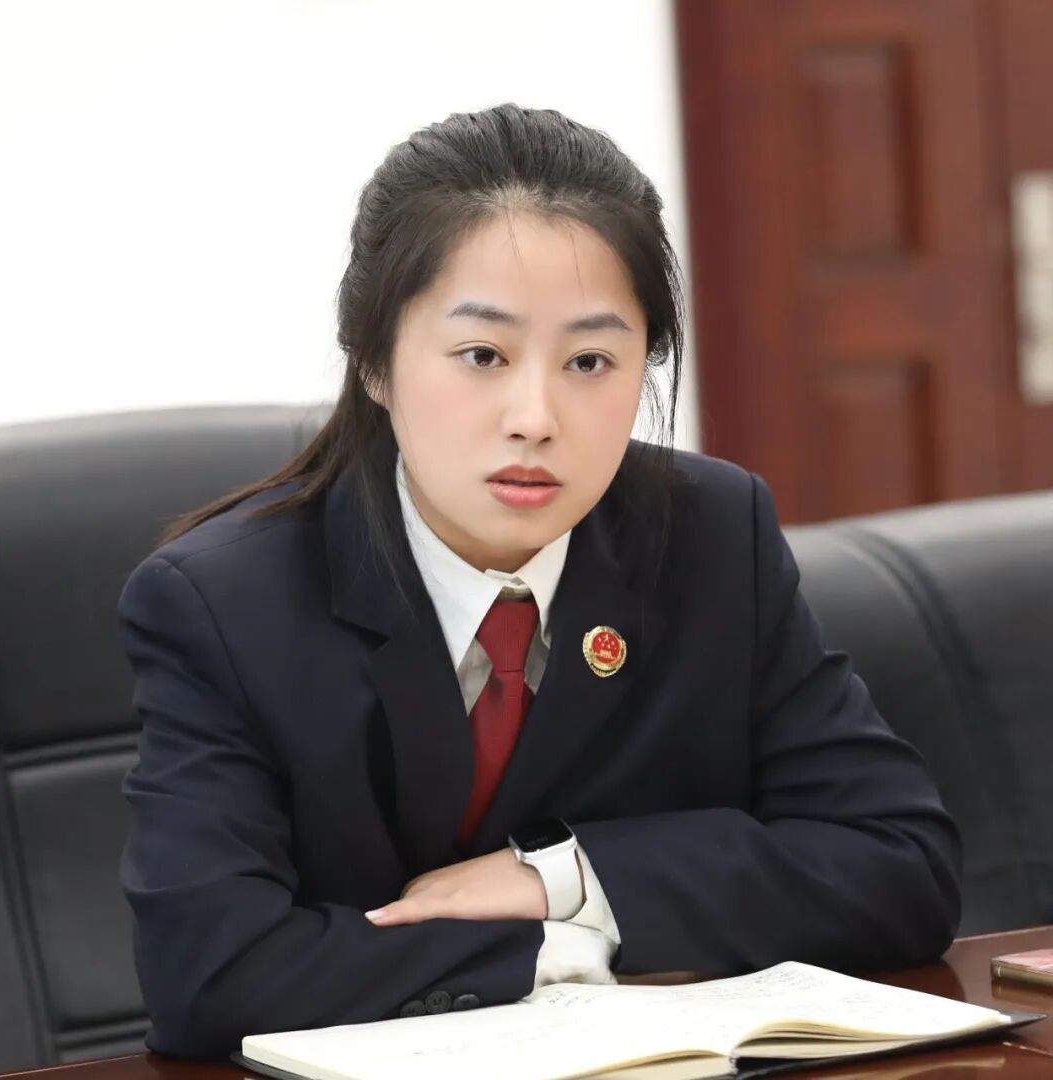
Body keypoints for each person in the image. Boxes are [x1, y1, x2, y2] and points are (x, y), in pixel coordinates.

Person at [117, 103, 961, 1061]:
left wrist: (565, 879)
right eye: (483, 355)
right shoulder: (222, 605)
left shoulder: (712, 536)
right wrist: (559, 952)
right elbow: (209, 975)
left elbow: (901, 866)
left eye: (590, 361)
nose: (536, 417)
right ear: (375, 363)